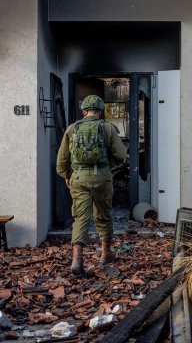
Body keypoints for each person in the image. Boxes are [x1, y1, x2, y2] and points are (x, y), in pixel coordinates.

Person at [56, 95, 127, 275]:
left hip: (79, 178)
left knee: (80, 218)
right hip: (102, 177)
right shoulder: (108, 128)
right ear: (100, 111)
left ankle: (77, 259)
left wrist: (67, 175)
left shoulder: (72, 129)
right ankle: (105, 254)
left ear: (83, 111)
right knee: (103, 215)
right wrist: (108, 167)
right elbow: (121, 155)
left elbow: (62, 160)